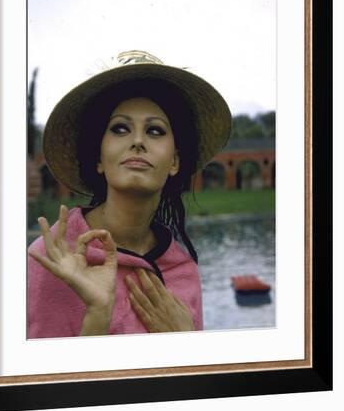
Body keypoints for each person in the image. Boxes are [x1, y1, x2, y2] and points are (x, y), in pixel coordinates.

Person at [28, 50, 231, 338]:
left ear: (174, 162)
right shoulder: (50, 259)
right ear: (99, 158)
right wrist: (98, 315)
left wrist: (186, 340)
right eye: (120, 128)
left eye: (156, 131)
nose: (137, 141)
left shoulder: (184, 271)